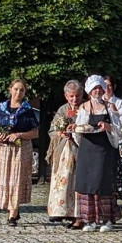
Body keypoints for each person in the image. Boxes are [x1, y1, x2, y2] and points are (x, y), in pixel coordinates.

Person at [73, 74, 122, 231]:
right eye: (94, 88)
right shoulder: (83, 108)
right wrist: (74, 129)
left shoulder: (110, 107)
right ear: (89, 90)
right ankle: (89, 220)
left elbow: (119, 131)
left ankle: (107, 219)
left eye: (100, 87)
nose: (97, 91)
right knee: (88, 183)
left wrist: (108, 127)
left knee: (103, 182)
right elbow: (79, 130)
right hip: (87, 149)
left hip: (104, 149)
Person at [0, 78, 40, 226]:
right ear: (10, 90)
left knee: (16, 178)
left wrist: (19, 135)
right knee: (4, 178)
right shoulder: (1, 108)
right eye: (16, 89)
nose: (18, 92)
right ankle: (8, 206)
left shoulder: (27, 110)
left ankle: (14, 211)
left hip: (21, 148)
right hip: (3, 148)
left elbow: (35, 133)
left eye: (22, 90)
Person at [46, 79, 83, 224]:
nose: (74, 99)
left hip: (78, 149)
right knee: (62, 180)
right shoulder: (62, 109)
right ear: (66, 96)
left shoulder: (86, 107)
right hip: (63, 151)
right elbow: (52, 129)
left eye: (77, 96)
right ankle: (59, 210)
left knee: (75, 181)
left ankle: (75, 213)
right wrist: (60, 133)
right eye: (71, 96)